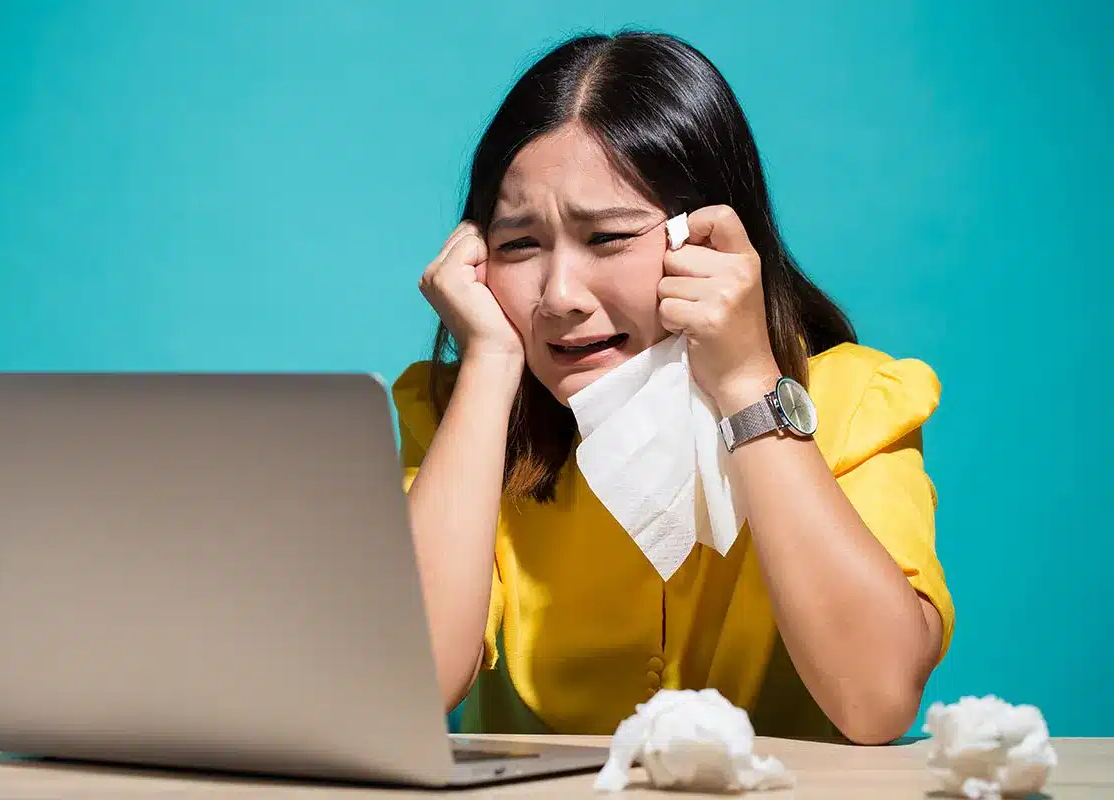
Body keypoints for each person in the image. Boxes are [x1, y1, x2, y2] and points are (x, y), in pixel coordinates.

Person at [392, 30, 952, 745]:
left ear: (710, 240)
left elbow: (877, 701)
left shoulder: (857, 400)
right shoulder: (456, 415)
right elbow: (411, 688)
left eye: (609, 238)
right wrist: (490, 364)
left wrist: (749, 382)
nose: (559, 296)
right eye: (520, 245)